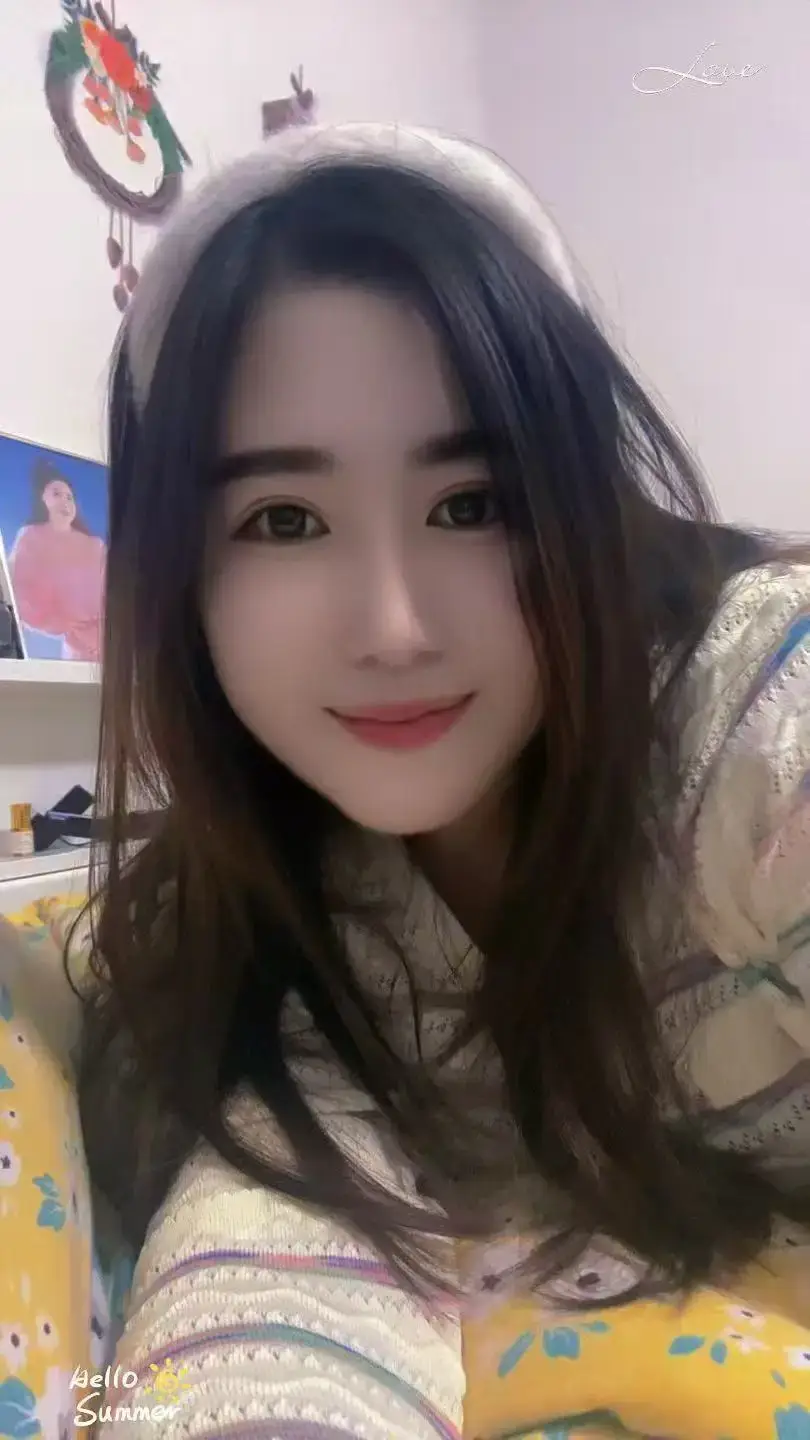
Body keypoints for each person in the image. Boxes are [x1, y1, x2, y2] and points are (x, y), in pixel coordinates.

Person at [75, 124, 810, 1437]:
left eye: (472, 503)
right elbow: (274, 1267)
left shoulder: (756, 715)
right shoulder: (269, 936)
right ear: (181, 579)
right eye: (283, 520)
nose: (394, 628)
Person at [9, 460, 106, 662]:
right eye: (56, 494)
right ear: (42, 498)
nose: (65, 501)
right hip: (74, 653)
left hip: (110, 646)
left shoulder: (95, 546)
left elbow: (116, 595)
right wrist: (63, 624)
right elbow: (21, 595)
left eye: (69, 497)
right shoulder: (30, 537)